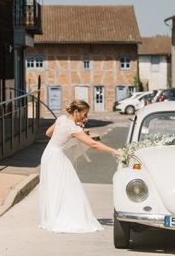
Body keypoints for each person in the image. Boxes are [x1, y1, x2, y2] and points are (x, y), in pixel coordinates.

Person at [39, 99, 121, 233]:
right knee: (68, 186)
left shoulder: (61, 119)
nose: (86, 117)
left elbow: (48, 133)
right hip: (58, 158)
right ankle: (62, 217)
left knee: (55, 186)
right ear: (76, 111)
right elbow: (93, 144)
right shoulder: (73, 128)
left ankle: (53, 217)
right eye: (85, 114)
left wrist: (66, 135)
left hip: (48, 155)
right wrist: (114, 151)